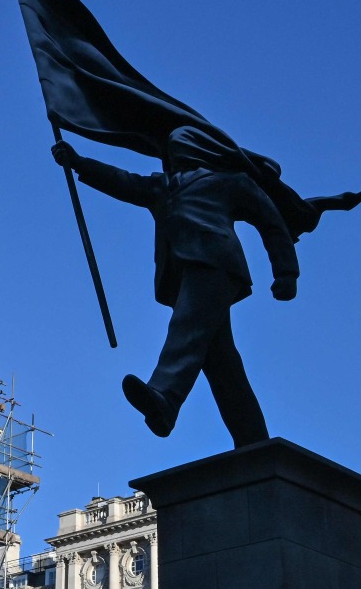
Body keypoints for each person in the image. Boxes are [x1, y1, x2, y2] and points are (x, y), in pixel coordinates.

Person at [52, 126, 300, 448]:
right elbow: (123, 181)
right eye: (172, 148)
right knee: (222, 363)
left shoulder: (229, 182)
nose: (175, 152)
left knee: (187, 323)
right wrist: (79, 162)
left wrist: (286, 272)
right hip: (181, 274)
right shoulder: (162, 186)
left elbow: (271, 222)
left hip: (216, 263)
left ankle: (165, 398)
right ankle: (254, 442)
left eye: (182, 146)